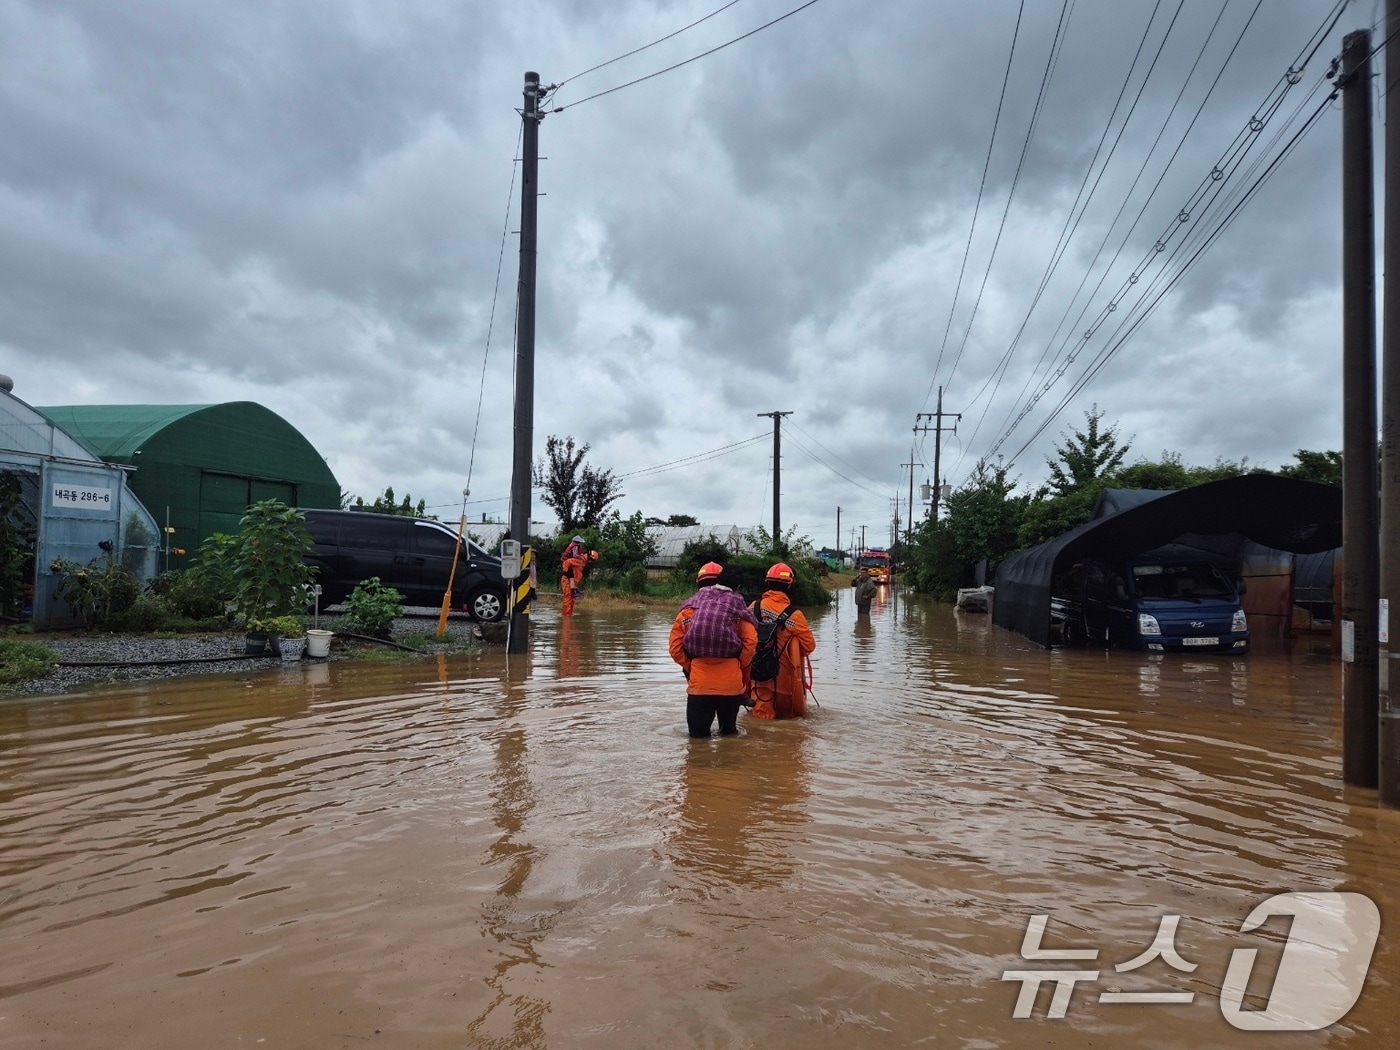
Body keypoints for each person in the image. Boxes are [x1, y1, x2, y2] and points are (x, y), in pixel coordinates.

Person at [669, 562, 759, 737]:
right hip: (731, 685)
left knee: (697, 740)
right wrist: (738, 664)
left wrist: (692, 665)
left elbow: (675, 648)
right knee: (729, 737)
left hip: (699, 684)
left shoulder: (688, 611)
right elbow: (750, 642)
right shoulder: (737, 610)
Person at [748, 562, 817, 720]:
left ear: (767, 584)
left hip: (759, 678)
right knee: (788, 727)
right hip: (785, 681)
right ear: (790, 586)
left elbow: (744, 639)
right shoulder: (794, 615)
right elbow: (809, 646)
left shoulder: (752, 608)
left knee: (761, 722)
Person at [561, 547, 597, 616]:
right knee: (568, 600)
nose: (590, 562)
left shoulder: (583, 561)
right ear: (590, 558)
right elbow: (566, 562)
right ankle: (566, 618)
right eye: (591, 560)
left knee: (572, 600)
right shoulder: (580, 560)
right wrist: (568, 574)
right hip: (567, 581)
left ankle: (569, 616)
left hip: (572, 583)